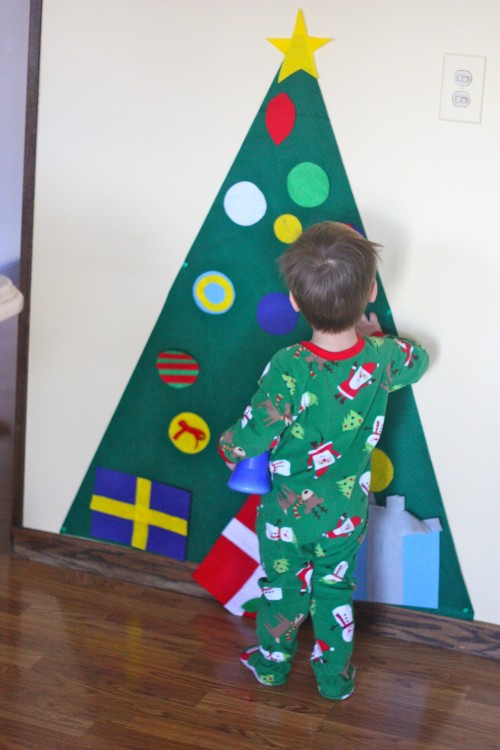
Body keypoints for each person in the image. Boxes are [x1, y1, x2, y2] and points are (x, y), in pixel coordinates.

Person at [219, 221, 429, 700]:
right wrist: (377, 336)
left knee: (282, 588)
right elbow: (418, 360)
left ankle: (273, 666)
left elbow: (253, 433)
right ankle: (333, 680)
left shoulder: (289, 365)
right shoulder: (381, 358)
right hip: (345, 512)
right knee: (335, 595)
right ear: (371, 290)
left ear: (295, 300)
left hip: (284, 513)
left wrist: (228, 446)